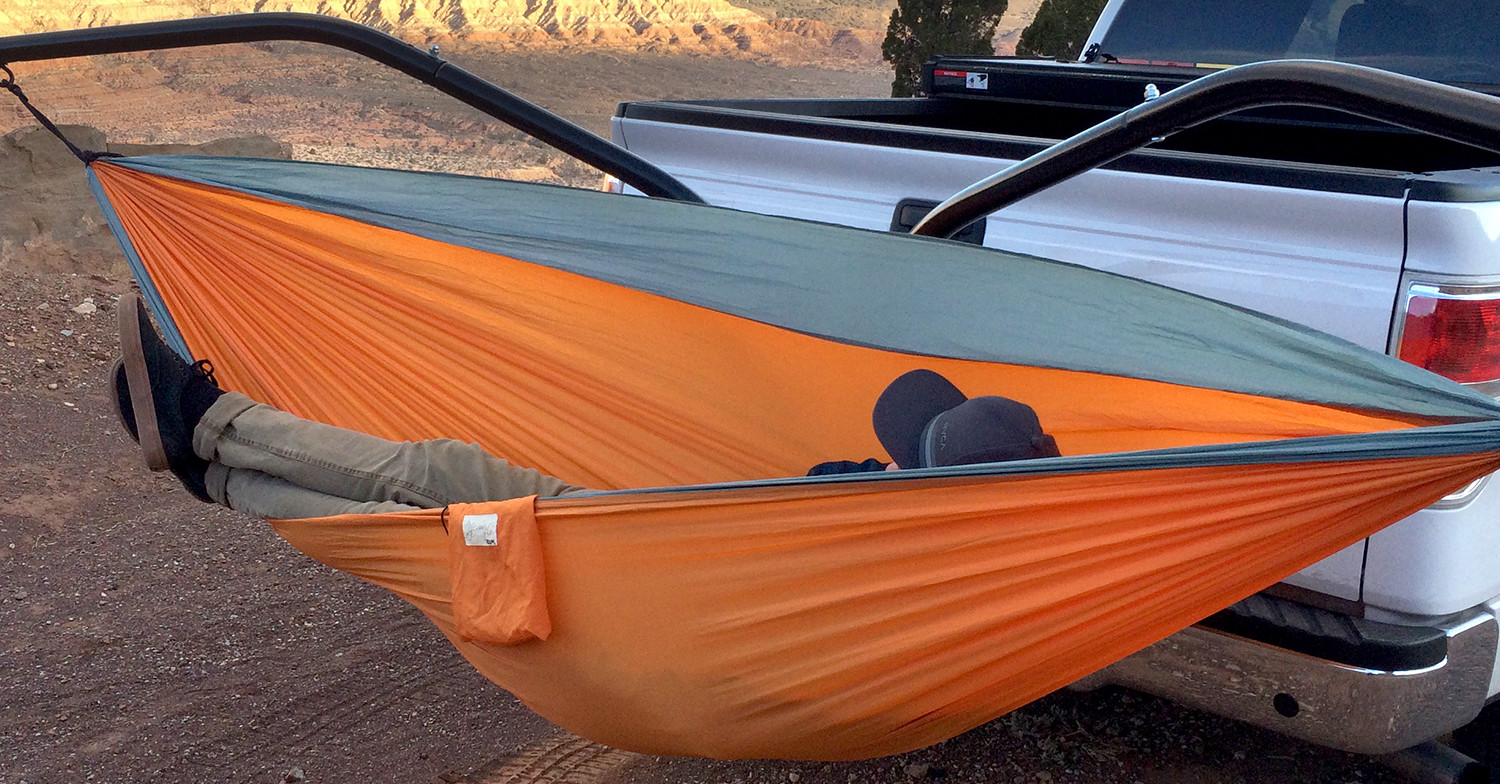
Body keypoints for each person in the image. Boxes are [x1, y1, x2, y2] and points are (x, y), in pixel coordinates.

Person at [111, 296, 1059, 519]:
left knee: (440, 481)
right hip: (669, 541)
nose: (884, 456)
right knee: (431, 522)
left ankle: (205, 418)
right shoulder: (893, 507)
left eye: (907, 456)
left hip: (655, 567)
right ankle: (217, 474)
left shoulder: (878, 522)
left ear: (935, 486)